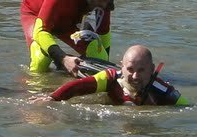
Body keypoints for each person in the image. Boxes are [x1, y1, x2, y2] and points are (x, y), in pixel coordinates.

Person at [20, 0, 116, 75]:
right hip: (36, 14)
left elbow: (103, 32)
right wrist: (64, 59)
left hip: (67, 21)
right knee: (41, 59)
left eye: (107, 1)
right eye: (101, 1)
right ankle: (34, 89)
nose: (104, 5)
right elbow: (41, 31)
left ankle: (67, 71)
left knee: (97, 53)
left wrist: (107, 68)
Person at [49, 44, 189, 106]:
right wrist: (52, 98)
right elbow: (76, 88)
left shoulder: (164, 92)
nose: (135, 76)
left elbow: (189, 110)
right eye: (130, 69)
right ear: (122, 67)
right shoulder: (110, 78)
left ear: (151, 69)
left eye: (141, 70)